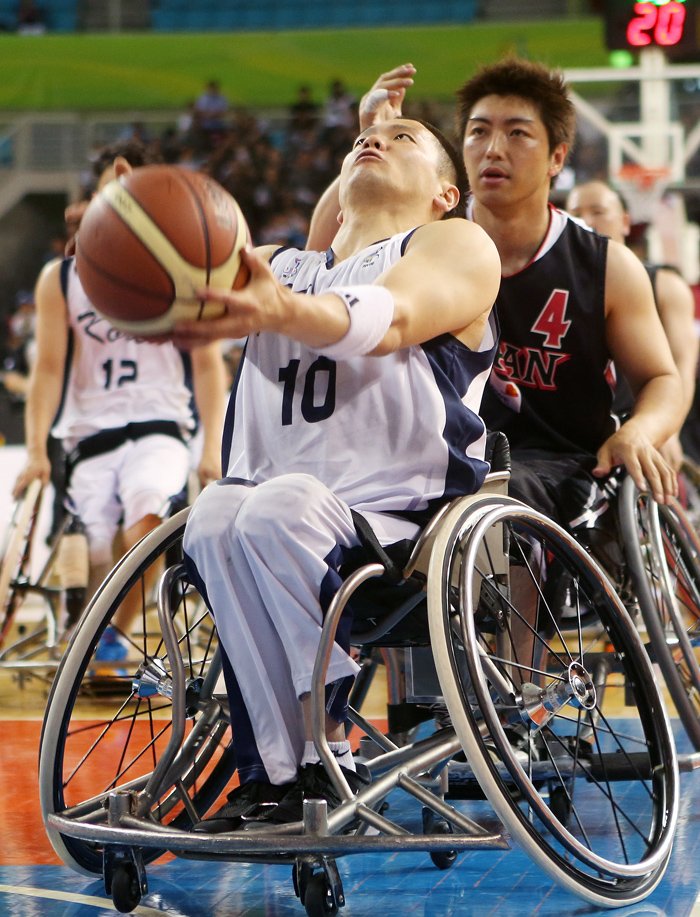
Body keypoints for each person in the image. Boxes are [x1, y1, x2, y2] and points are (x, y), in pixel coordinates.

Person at [171, 117, 501, 830]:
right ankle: (280, 779)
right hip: (271, 510)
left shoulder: (455, 243)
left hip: (400, 522)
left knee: (274, 509)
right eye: (363, 140)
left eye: (405, 137)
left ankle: (328, 755)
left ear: (448, 191)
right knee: (217, 513)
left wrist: (281, 310)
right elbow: (176, 305)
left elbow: (389, 315)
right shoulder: (281, 265)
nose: (375, 141)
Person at [309, 60, 684, 544]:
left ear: (556, 158)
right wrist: (375, 144)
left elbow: (661, 378)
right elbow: (322, 260)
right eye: (478, 131)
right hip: (430, 455)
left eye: (517, 134)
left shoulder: (605, 266)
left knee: (500, 499)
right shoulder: (425, 235)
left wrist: (640, 431)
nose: (492, 149)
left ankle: (510, 619)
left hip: (559, 462)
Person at [13, 140, 228, 641]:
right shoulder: (60, 277)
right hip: (86, 433)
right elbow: (47, 369)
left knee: (148, 518)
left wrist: (212, 446)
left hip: (159, 425)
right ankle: (88, 631)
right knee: (94, 552)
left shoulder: (185, 271)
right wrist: (37, 448)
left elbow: (207, 363)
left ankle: (106, 640)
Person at [565, 179, 698, 472]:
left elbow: (681, 368)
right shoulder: (559, 282)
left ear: (625, 222)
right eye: (575, 212)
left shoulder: (666, 286)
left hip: (645, 422)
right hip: (581, 435)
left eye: (598, 211)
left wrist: (665, 430)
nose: (586, 220)